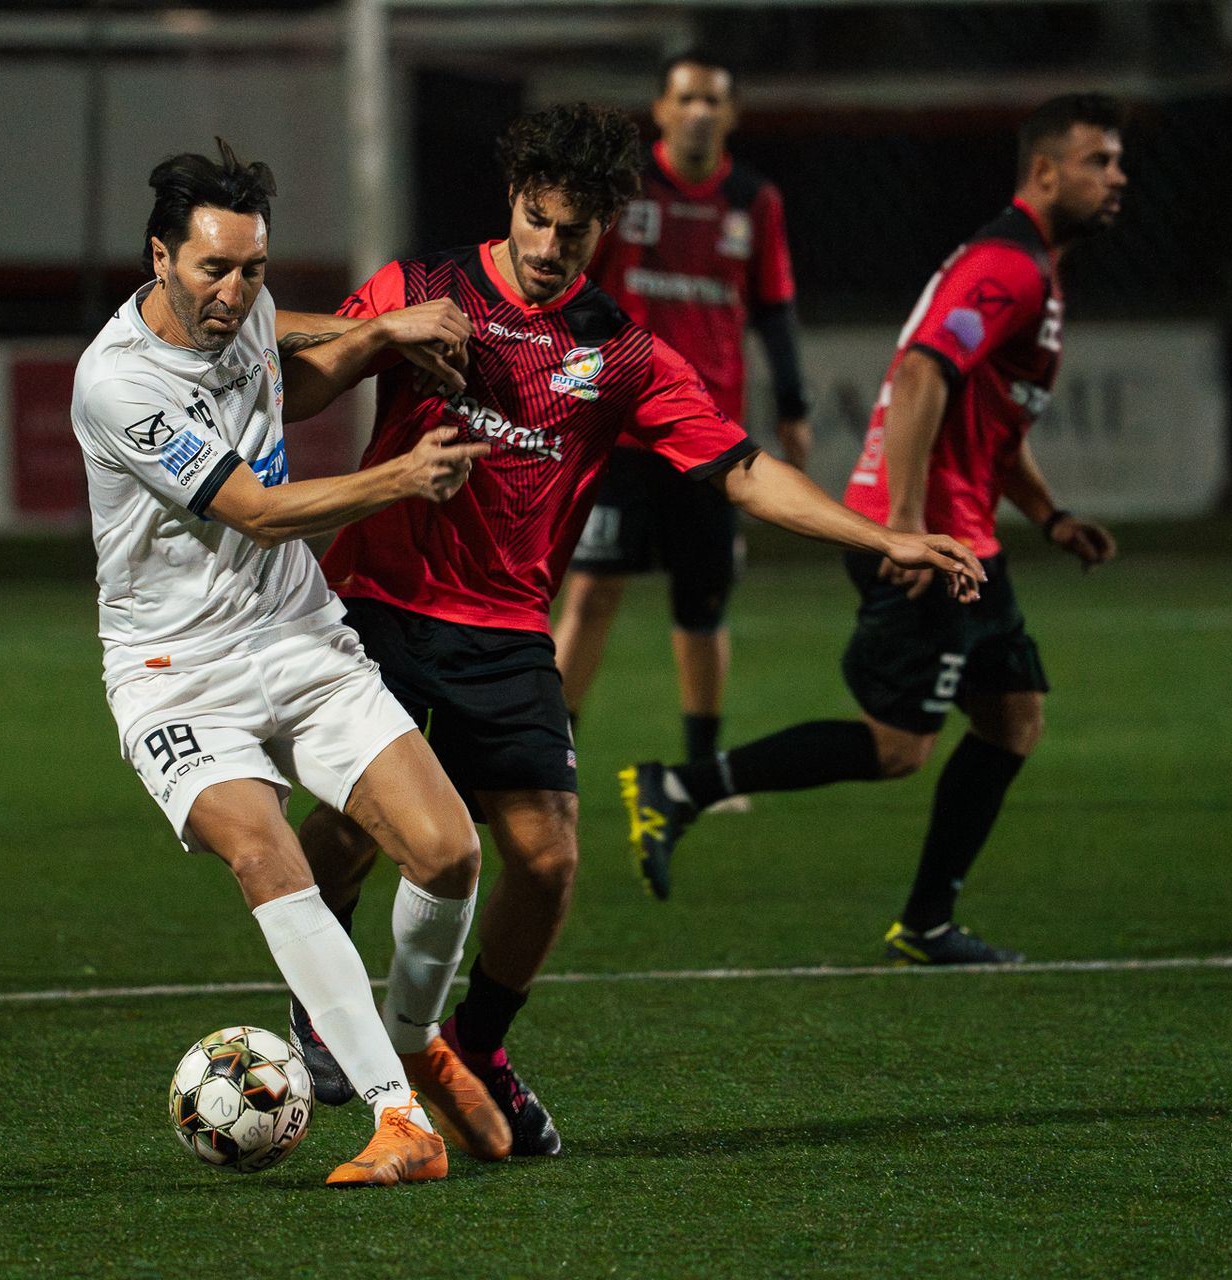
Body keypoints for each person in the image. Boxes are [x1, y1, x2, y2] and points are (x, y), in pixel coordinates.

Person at [285, 105, 986, 1156]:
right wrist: (375, 335)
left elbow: (744, 470)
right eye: (534, 219)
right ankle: (319, 991)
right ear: (511, 200)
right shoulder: (419, 287)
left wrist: (884, 534)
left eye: (572, 229)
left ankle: (477, 1045)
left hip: (507, 626)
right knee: (351, 822)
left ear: (607, 226)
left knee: (550, 855)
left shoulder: (618, 352)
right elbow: (299, 385)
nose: (545, 246)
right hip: (377, 602)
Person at [71, 141, 516, 1188]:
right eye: (211, 269)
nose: (232, 292)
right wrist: (402, 473)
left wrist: (380, 332)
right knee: (268, 851)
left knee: (449, 853)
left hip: (298, 636)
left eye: (252, 268)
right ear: (160, 258)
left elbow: (283, 354)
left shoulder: (248, 307)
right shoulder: (119, 383)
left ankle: (407, 1037)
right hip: (176, 670)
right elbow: (261, 512)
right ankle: (399, 1118)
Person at [620, 94, 1127, 965]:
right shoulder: (1007, 267)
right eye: (1100, 161)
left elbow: (991, 420)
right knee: (899, 749)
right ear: (1045, 171)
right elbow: (927, 372)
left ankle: (926, 924)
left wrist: (1051, 515)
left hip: (969, 542)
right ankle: (681, 787)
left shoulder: (1033, 269)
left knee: (1013, 720)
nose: (1118, 178)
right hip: (931, 544)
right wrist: (898, 524)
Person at [555, 52, 812, 795]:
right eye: (687, 98)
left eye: (714, 101)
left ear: (731, 116)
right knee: (592, 592)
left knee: (702, 607)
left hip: (709, 437)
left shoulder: (753, 200)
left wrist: (793, 404)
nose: (700, 111)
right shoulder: (624, 191)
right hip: (621, 431)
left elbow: (773, 306)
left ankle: (702, 772)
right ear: (661, 111)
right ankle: (554, 763)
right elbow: (574, 288)